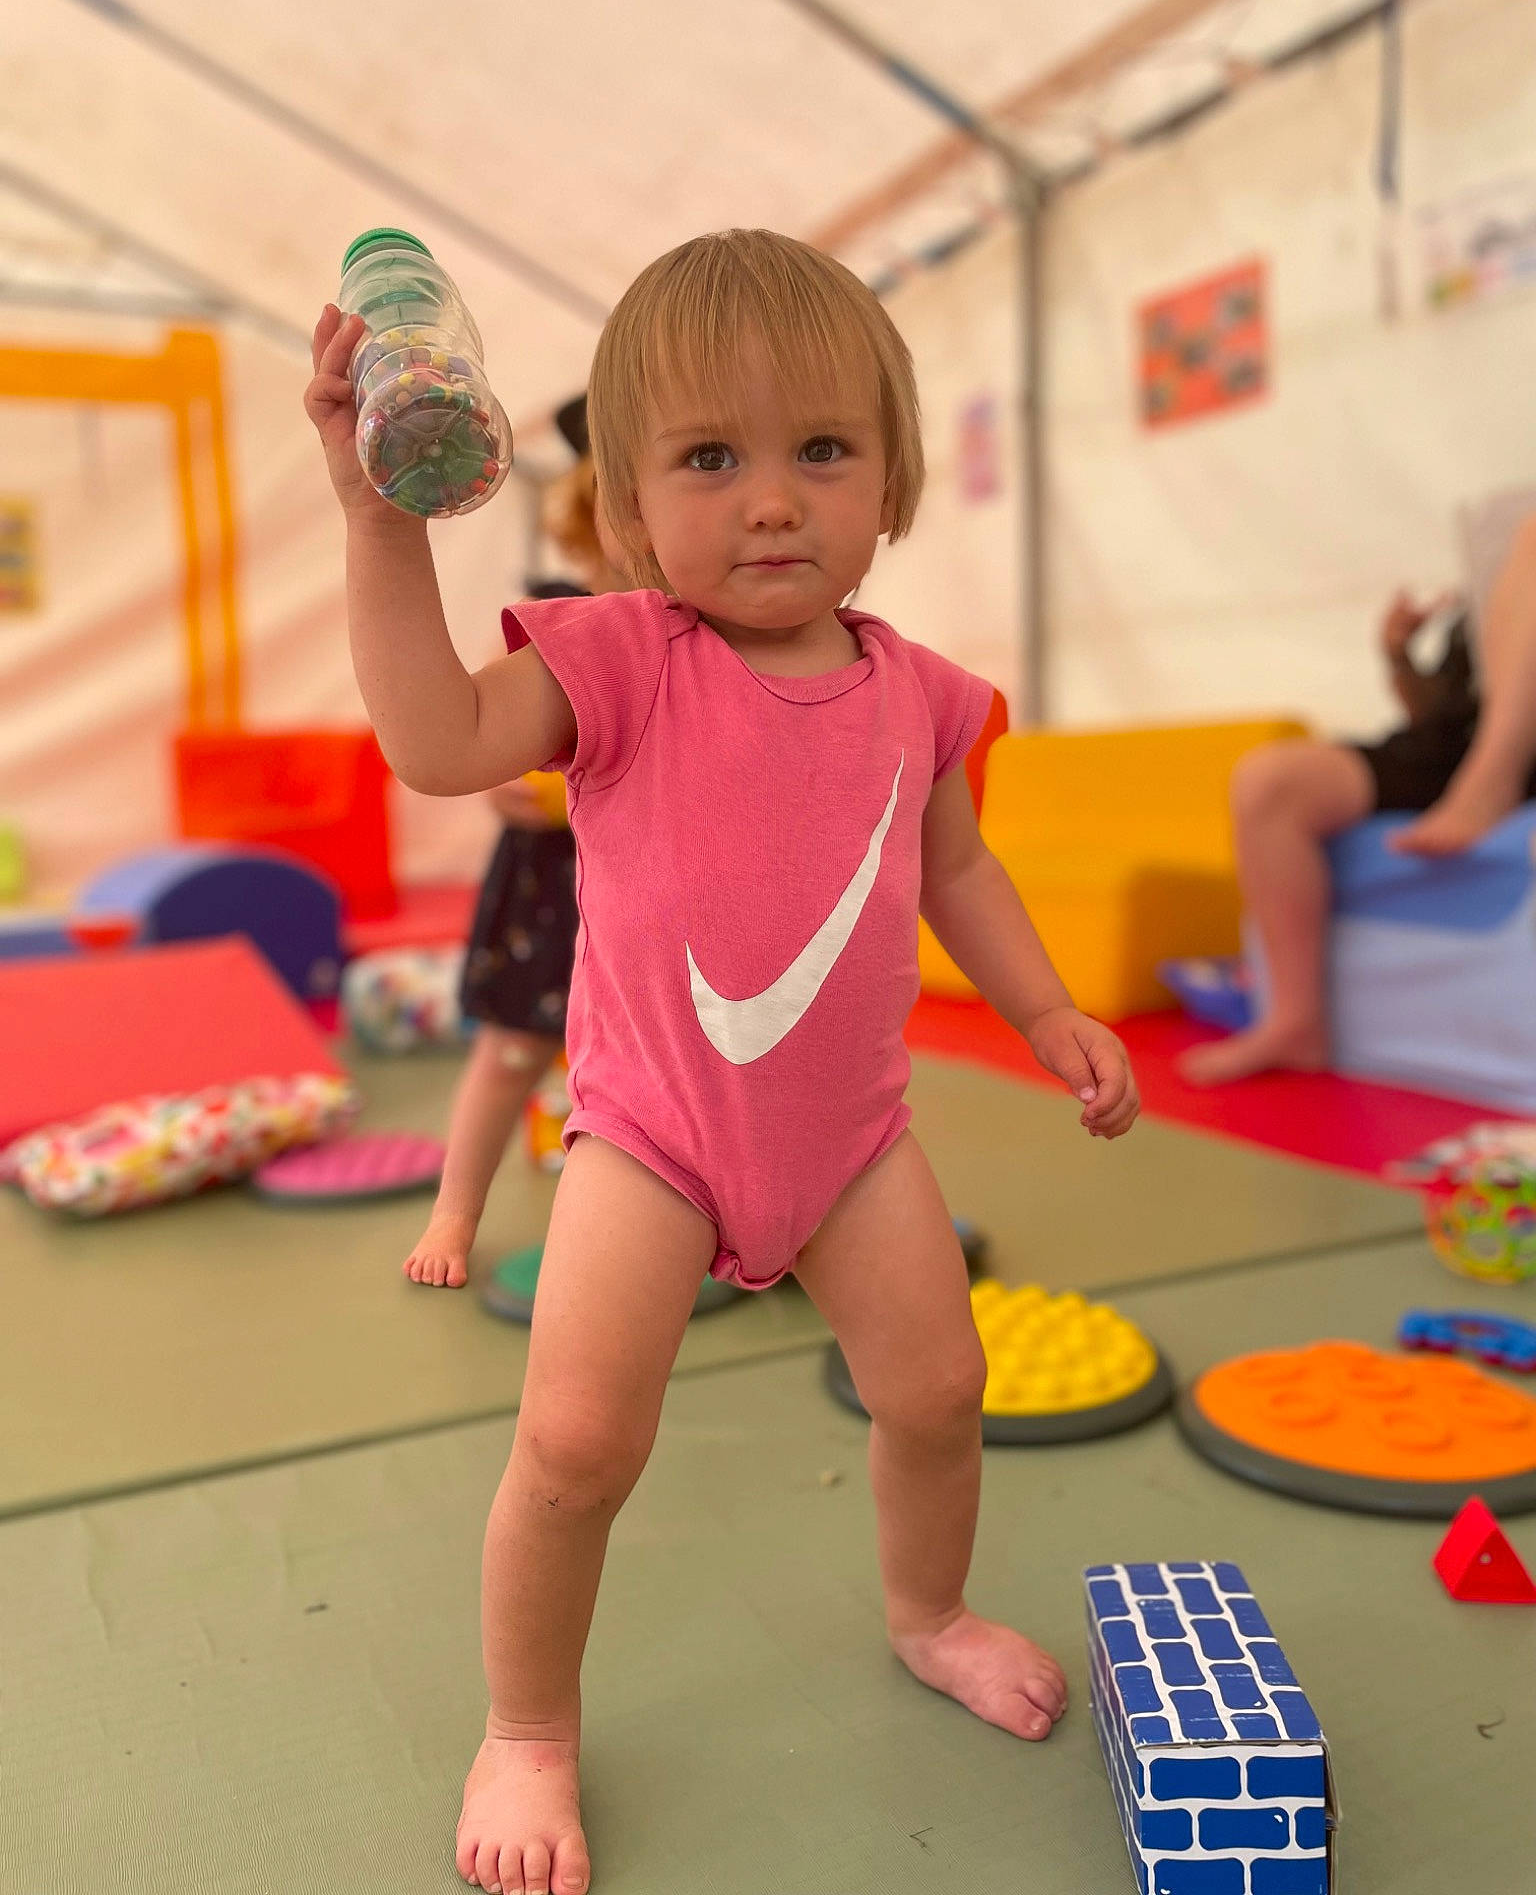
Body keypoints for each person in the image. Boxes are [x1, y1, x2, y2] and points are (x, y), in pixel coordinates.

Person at [305, 228, 1139, 1895]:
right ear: (623, 503)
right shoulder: (624, 658)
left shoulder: (921, 693)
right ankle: (529, 1723)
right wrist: (379, 523)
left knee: (941, 1390)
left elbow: (957, 868)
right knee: (574, 1446)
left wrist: (1046, 1009)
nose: (773, 500)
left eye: (821, 450)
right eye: (711, 458)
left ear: (893, 477)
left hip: (850, 1143)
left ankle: (929, 1612)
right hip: (650, 1141)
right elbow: (435, 742)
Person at [1179, 489, 1536, 1087]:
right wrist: (1399, 658)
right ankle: (1294, 1023)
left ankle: (1491, 783)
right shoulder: (1493, 605)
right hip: (1457, 746)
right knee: (1269, 781)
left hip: (1507, 756)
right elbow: (1437, 718)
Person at [405, 402, 625, 1289]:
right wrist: (519, 793)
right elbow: (487, 758)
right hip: (553, 888)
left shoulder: (713, 639)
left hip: (649, 895)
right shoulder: (561, 625)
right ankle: (455, 1213)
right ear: (584, 525)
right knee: (509, 1055)